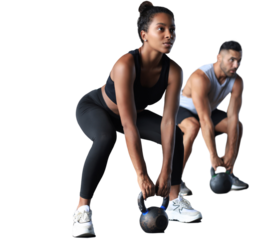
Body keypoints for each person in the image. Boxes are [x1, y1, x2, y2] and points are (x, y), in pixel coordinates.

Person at [71, 1, 203, 238]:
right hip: (96, 108)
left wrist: (164, 172)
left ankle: (173, 201)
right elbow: (128, 127)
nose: (169, 35)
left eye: (172, 29)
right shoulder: (125, 64)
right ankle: (82, 209)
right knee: (105, 137)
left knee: (178, 134)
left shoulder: (174, 70)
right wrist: (141, 174)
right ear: (144, 35)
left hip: (135, 113)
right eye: (161, 29)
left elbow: (167, 122)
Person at [177, 39, 251, 196]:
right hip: (181, 110)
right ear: (218, 57)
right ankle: (176, 180)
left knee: (239, 126)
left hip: (208, 110)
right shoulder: (201, 77)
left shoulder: (238, 81)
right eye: (231, 60)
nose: (236, 65)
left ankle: (230, 174)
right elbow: (204, 120)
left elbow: (233, 118)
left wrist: (230, 154)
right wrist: (213, 154)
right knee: (193, 127)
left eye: (240, 61)